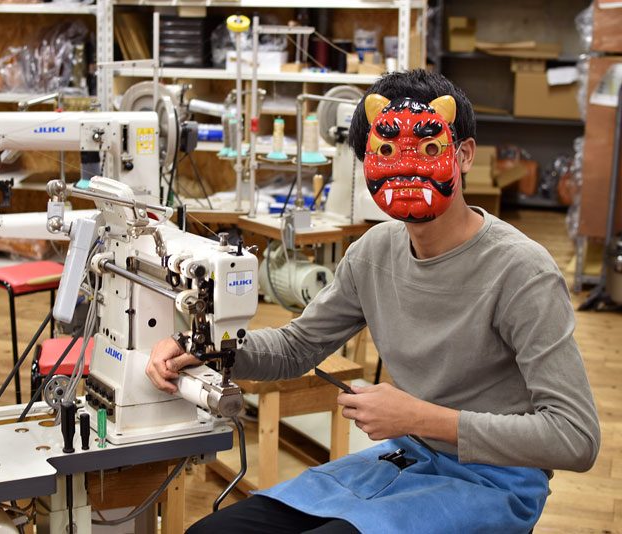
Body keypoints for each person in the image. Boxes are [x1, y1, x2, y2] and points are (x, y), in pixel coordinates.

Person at [145, 70, 600, 534]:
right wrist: (208, 350)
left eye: (426, 148)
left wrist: (421, 417)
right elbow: (297, 347)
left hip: (495, 480)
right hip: (406, 459)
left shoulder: (522, 271)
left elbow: (576, 437)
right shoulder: (374, 252)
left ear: (464, 155)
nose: (405, 167)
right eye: (385, 152)